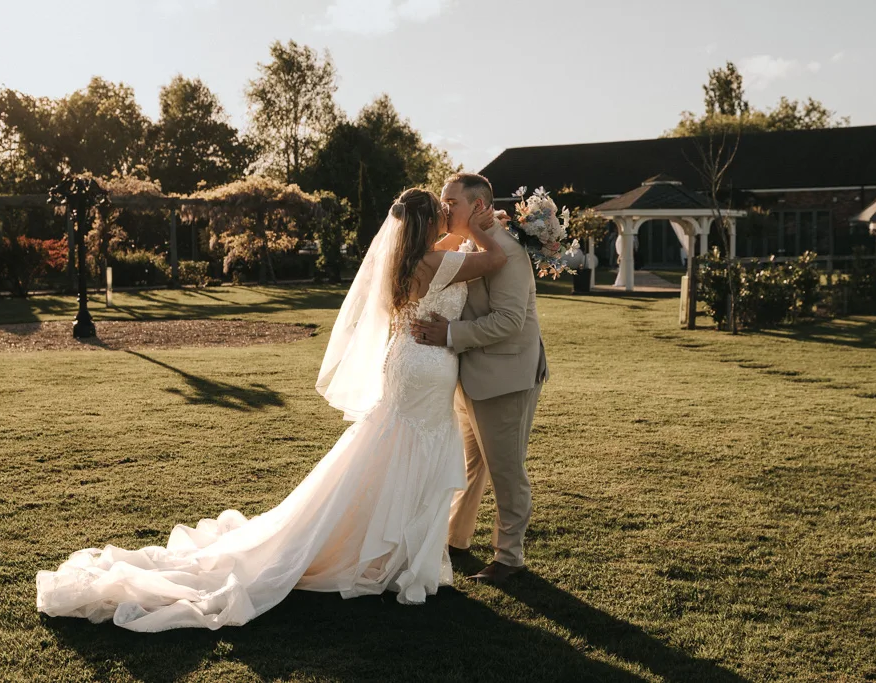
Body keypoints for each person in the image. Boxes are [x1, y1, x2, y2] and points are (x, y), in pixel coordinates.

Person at [35, 188, 504, 631]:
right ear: (426, 226)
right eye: (440, 215)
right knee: (411, 457)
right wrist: (485, 225)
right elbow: (496, 258)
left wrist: (463, 230)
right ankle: (397, 556)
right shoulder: (440, 260)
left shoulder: (408, 260)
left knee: (391, 454)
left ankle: (391, 551)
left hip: (407, 367)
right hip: (425, 372)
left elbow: (452, 254)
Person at [411, 173, 548, 585]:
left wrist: (449, 335)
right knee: (470, 467)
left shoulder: (507, 250)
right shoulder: (473, 245)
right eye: (442, 201)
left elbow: (509, 320)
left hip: (506, 375)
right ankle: (456, 539)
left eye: (452, 202)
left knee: (506, 471)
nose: (444, 208)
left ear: (479, 206)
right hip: (470, 375)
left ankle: (509, 559)